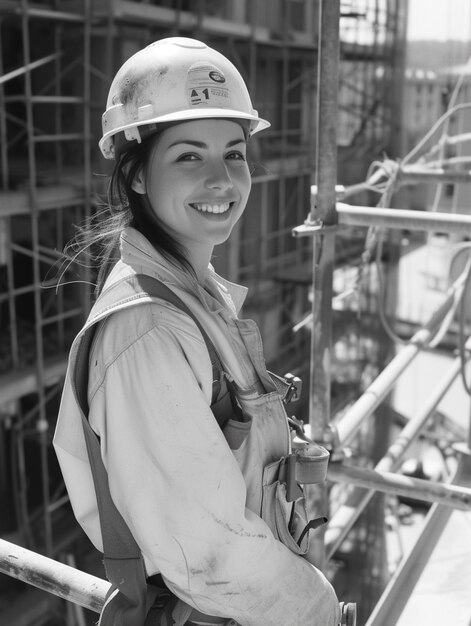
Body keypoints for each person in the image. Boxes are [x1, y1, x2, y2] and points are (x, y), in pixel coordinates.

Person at [53, 37, 341, 626]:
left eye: (234, 154)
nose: (222, 180)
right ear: (136, 175)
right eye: (189, 156)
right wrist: (320, 608)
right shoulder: (148, 328)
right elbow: (210, 558)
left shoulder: (194, 292)